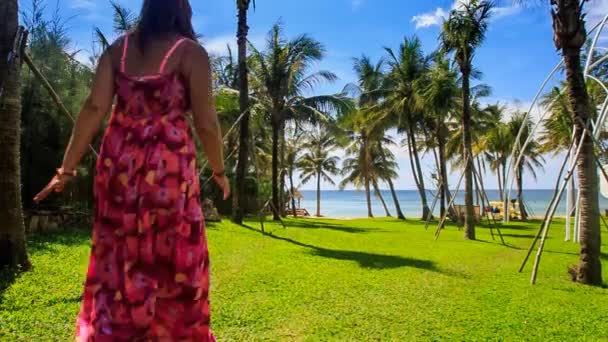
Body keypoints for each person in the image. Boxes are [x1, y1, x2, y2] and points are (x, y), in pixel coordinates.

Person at [33, 0, 228, 340]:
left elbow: (94, 108)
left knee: (118, 249)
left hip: (117, 167)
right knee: (171, 253)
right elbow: (207, 122)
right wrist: (219, 170)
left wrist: (66, 169)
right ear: (183, 10)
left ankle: (117, 331)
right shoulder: (190, 53)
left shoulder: (117, 50)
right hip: (168, 171)